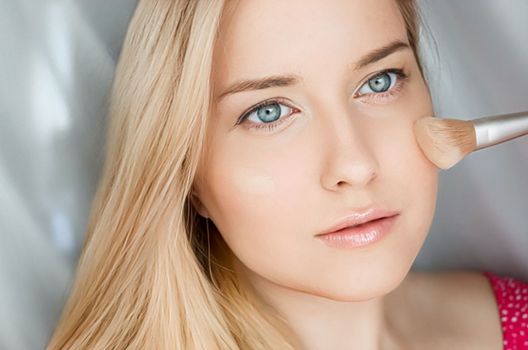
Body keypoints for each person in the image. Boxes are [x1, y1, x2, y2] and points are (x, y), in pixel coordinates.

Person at [46, 0, 527, 349]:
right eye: (270, 112)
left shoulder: (515, 317)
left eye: (378, 82)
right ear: (186, 175)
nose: (355, 165)